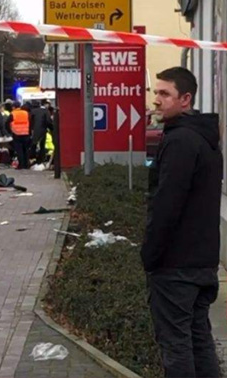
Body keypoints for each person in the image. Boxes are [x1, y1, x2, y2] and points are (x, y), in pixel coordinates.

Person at [141, 67, 221, 378]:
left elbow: (166, 205)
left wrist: (150, 255)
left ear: (185, 99)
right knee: (199, 341)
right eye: (155, 93)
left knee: (176, 347)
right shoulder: (205, 138)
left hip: (176, 266)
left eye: (165, 94)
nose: (157, 100)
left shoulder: (180, 142)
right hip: (202, 262)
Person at [5, 101, 31, 169]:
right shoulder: (26, 113)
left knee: (19, 150)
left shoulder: (13, 114)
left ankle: (21, 165)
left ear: (13, 107)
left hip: (16, 133)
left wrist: (10, 131)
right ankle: (27, 165)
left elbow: (7, 123)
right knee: (26, 150)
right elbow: (31, 122)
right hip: (26, 133)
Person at [30, 100, 54, 165]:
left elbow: (30, 121)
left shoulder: (33, 111)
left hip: (33, 131)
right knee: (42, 146)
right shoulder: (46, 111)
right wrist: (52, 129)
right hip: (42, 131)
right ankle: (40, 160)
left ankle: (32, 159)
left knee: (34, 145)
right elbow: (48, 122)